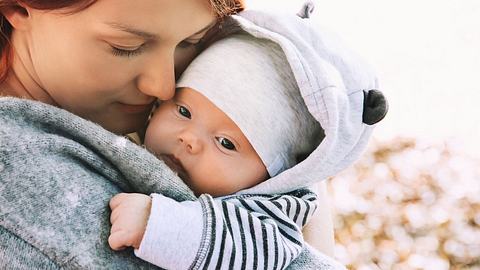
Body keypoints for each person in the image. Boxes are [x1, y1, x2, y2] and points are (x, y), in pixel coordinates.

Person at [0, 0, 341, 269]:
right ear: (18, 8)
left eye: (191, 42)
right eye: (126, 46)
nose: (164, 87)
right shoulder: (21, 173)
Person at [106, 6, 387, 267]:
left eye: (226, 143)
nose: (189, 139)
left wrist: (159, 226)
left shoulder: (271, 211)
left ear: (273, 176)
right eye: (183, 111)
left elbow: (262, 251)